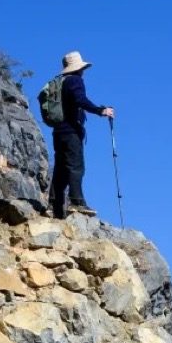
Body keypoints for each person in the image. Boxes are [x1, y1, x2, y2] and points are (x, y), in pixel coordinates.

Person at [50, 51, 114, 219]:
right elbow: (80, 100)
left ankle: (55, 206)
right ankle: (77, 202)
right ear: (79, 68)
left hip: (58, 132)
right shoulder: (75, 81)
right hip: (71, 131)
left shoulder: (60, 82)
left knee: (61, 168)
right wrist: (101, 111)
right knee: (76, 166)